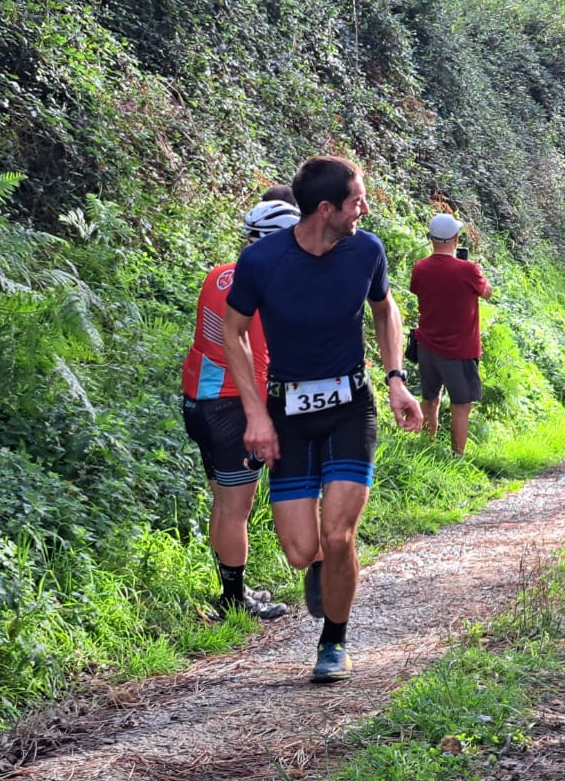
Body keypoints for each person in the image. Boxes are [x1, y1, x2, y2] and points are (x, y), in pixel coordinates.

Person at [222, 155, 423, 684]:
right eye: (356, 200)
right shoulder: (263, 261)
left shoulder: (366, 250)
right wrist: (254, 413)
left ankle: (333, 642)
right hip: (287, 411)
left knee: (338, 535)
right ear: (325, 208)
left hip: (350, 407)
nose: (365, 208)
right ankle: (319, 570)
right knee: (300, 550)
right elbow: (233, 331)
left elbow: (385, 309)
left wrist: (396, 378)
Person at [181, 199, 300, 624]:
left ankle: (231, 587)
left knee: (223, 501)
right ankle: (233, 600)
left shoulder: (221, 274)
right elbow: (259, 356)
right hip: (232, 408)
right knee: (236, 508)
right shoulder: (268, 287)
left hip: (199, 401)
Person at [409, 213, 494, 456]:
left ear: (431, 239)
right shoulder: (468, 270)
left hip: (426, 345)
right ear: (456, 239)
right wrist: (478, 275)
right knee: (461, 405)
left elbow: (418, 291)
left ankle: (427, 449)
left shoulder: (420, 268)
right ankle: (457, 456)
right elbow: (486, 293)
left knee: (429, 399)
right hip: (460, 349)